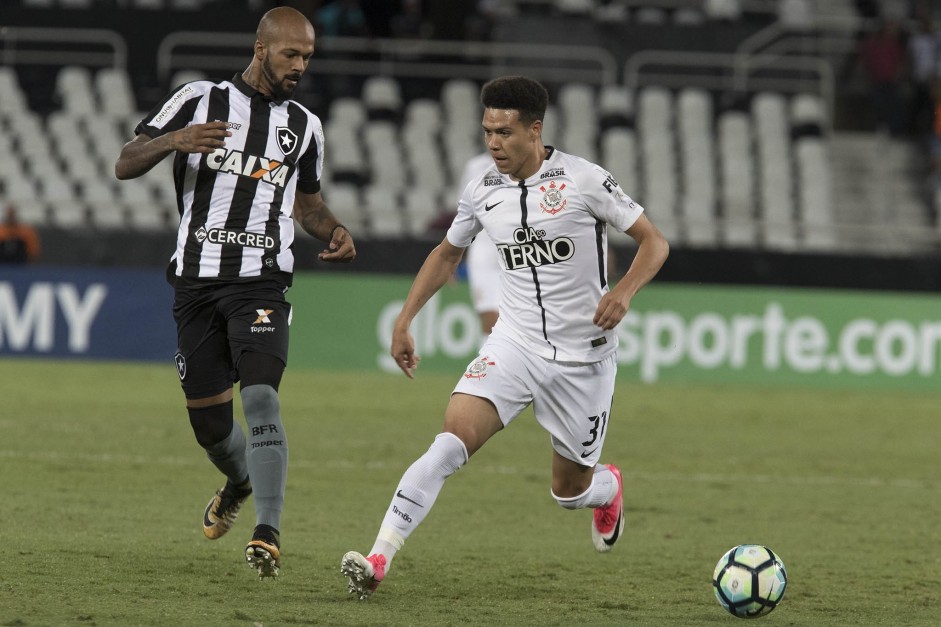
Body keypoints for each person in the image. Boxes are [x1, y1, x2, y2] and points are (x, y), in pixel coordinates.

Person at [340, 75, 669, 600]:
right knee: (448, 443)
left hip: (583, 361)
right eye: (487, 131)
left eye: (505, 132)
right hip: (512, 345)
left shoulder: (584, 181)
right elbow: (446, 254)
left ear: (535, 130)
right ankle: (379, 556)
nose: (493, 143)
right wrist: (405, 319)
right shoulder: (482, 191)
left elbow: (654, 242)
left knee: (568, 492)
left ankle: (607, 488)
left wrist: (625, 291)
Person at [114, 6, 355, 581]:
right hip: (196, 282)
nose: (300, 66)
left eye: (307, 57)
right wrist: (176, 141)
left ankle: (267, 531)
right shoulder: (198, 98)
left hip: (262, 280)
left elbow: (308, 206)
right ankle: (240, 482)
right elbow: (125, 162)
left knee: (263, 397)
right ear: (260, 48)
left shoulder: (306, 126)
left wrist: (336, 230)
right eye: (290, 54)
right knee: (211, 429)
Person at [460, 151, 502, 334]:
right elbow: (464, 213)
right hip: (482, 247)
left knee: (507, 315)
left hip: (513, 248)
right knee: (488, 314)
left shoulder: (526, 165)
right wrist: (457, 255)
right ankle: (489, 359)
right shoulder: (475, 167)